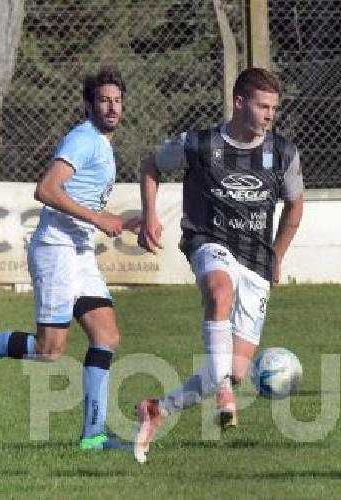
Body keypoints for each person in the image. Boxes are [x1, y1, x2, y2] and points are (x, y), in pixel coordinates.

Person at [0, 68, 134, 451]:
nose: (112, 106)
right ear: (89, 106)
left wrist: (127, 223)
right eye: (103, 100)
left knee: (106, 336)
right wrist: (100, 219)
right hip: (57, 251)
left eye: (116, 100)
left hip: (80, 252)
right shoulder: (84, 139)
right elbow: (46, 189)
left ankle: (94, 435)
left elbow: (84, 199)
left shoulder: (102, 144)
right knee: (49, 350)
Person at [130, 67, 305, 464]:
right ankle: (224, 389)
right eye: (263, 106)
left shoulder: (283, 152)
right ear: (239, 102)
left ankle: (159, 409)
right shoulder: (200, 144)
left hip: (257, 258)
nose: (269, 115)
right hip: (209, 241)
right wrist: (151, 215)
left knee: (234, 370)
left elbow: (295, 204)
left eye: (274, 108)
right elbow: (150, 164)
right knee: (219, 291)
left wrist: (278, 253)